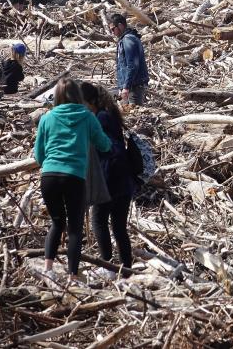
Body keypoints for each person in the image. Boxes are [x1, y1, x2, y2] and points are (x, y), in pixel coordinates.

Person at [34, 78, 112, 282]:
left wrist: (50, 165)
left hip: (49, 177)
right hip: (75, 177)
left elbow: (38, 155)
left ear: (57, 96)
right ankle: (72, 275)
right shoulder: (87, 117)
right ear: (78, 96)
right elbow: (104, 144)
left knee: (56, 223)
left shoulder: (47, 118)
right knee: (75, 227)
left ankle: (48, 269)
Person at [80, 82, 135, 278]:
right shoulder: (109, 114)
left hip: (110, 178)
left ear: (91, 101)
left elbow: (108, 150)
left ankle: (108, 265)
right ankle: (126, 268)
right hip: (123, 179)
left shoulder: (100, 118)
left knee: (99, 220)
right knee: (119, 226)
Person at [109, 14, 149, 105]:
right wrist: (121, 87)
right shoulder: (124, 39)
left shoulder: (128, 39)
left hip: (134, 86)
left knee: (135, 114)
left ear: (120, 26)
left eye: (112, 29)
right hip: (130, 86)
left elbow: (132, 65)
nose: (112, 32)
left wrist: (126, 87)